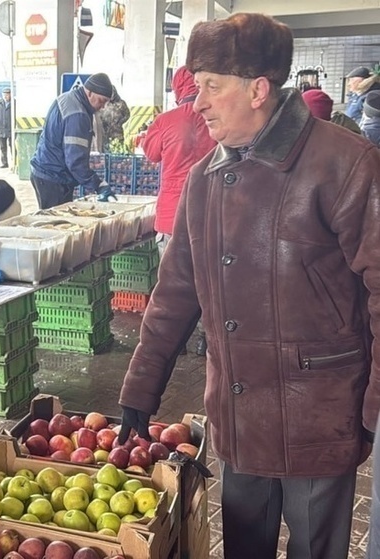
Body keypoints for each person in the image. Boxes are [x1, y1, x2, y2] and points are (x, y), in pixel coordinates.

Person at [117, 13, 380, 559]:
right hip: (239, 414)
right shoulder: (203, 179)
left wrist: (376, 405)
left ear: (259, 89)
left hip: (320, 412)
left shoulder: (345, 164)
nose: (198, 103)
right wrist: (140, 392)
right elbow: (174, 295)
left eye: (212, 87)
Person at [141, 66, 216, 257]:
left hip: (171, 213)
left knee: (171, 280)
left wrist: (144, 139)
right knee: (206, 281)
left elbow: (152, 154)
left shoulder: (165, 121)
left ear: (177, 88)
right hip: (210, 212)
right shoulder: (219, 118)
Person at [30, 72, 116, 209]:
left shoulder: (66, 98)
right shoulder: (78, 115)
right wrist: (98, 185)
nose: (103, 106)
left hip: (44, 171)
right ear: (89, 93)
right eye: (101, 101)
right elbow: (75, 161)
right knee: (57, 226)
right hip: (54, 178)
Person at [93, 86, 130, 152]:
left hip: (117, 134)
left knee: (118, 151)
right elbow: (99, 115)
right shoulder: (104, 103)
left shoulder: (121, 103)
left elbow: (127, 115)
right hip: (105, 134)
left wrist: (119, 123)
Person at [0, 87, 13, 168]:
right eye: (4, 95)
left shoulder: (13, 103)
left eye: (7, 95)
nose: (6, 96)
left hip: (11, 129)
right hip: (1, 129)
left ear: (10, 95)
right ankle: (4, 163)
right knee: (3, 147)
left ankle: (14, 162)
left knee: (12, 146)